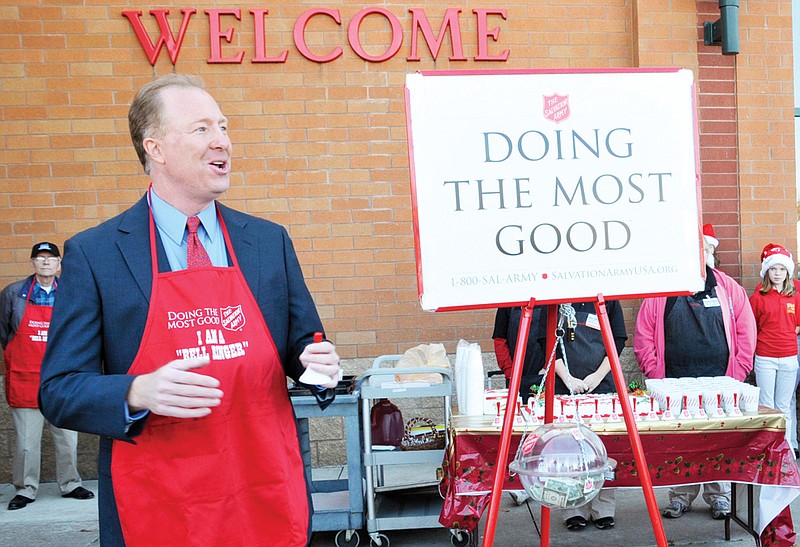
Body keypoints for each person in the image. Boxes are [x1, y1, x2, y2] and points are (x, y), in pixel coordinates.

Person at [38, 74, 341, 546]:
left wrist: (316, 365)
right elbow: (58, 391)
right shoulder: (96, 254)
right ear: (154, 148)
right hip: (161, 502)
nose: (222, 141)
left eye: (223, 127)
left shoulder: (267, 241)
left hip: (262, 488)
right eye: (201, 129)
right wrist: (137, 390)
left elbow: (304, 347)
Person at [633, 231, 756, 521]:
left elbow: (746, 332)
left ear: (711, 254)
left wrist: (736, 376)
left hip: (721, 384)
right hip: (675, 384)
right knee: (681, 443)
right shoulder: (663, 288)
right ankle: (680, 496)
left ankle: (719, 497)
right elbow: (643, 336)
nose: (698, 255)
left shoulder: (728, 288)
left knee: (718, 440)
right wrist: (656, 375)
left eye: (703, 250)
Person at [0, 242, 95, 510]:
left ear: (59, 263)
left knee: (67, 437)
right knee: (27, 442)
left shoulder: (72, 292)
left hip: (63, 376)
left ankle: (70, 483)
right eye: (40, 258)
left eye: (51, 258)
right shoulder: (13, 294)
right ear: (32, 262)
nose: (45, 263)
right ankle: (26, 489)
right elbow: (6, 333)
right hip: (26, 376)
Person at [542, 301, 627, 532]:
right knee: (567, 449)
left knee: (603, 449)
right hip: (563, 385)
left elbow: (617, 339)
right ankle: (572, 509)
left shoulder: (607, 299)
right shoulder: (554, 299)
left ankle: (603, 509)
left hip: (601, 383)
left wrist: (598, 376)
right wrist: (567, 377)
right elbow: (545, 340)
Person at [749, 243, 800, 451]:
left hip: (789, 357)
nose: (777, 273)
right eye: (773, 269)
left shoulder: (795, 295)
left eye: (781, 269)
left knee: (784, 407)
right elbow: (751, 325)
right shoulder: (758, 296)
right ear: (766, 271)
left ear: (787, 271)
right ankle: (768, 450)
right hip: (765, 357)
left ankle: (784, 450)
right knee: (768, 407)